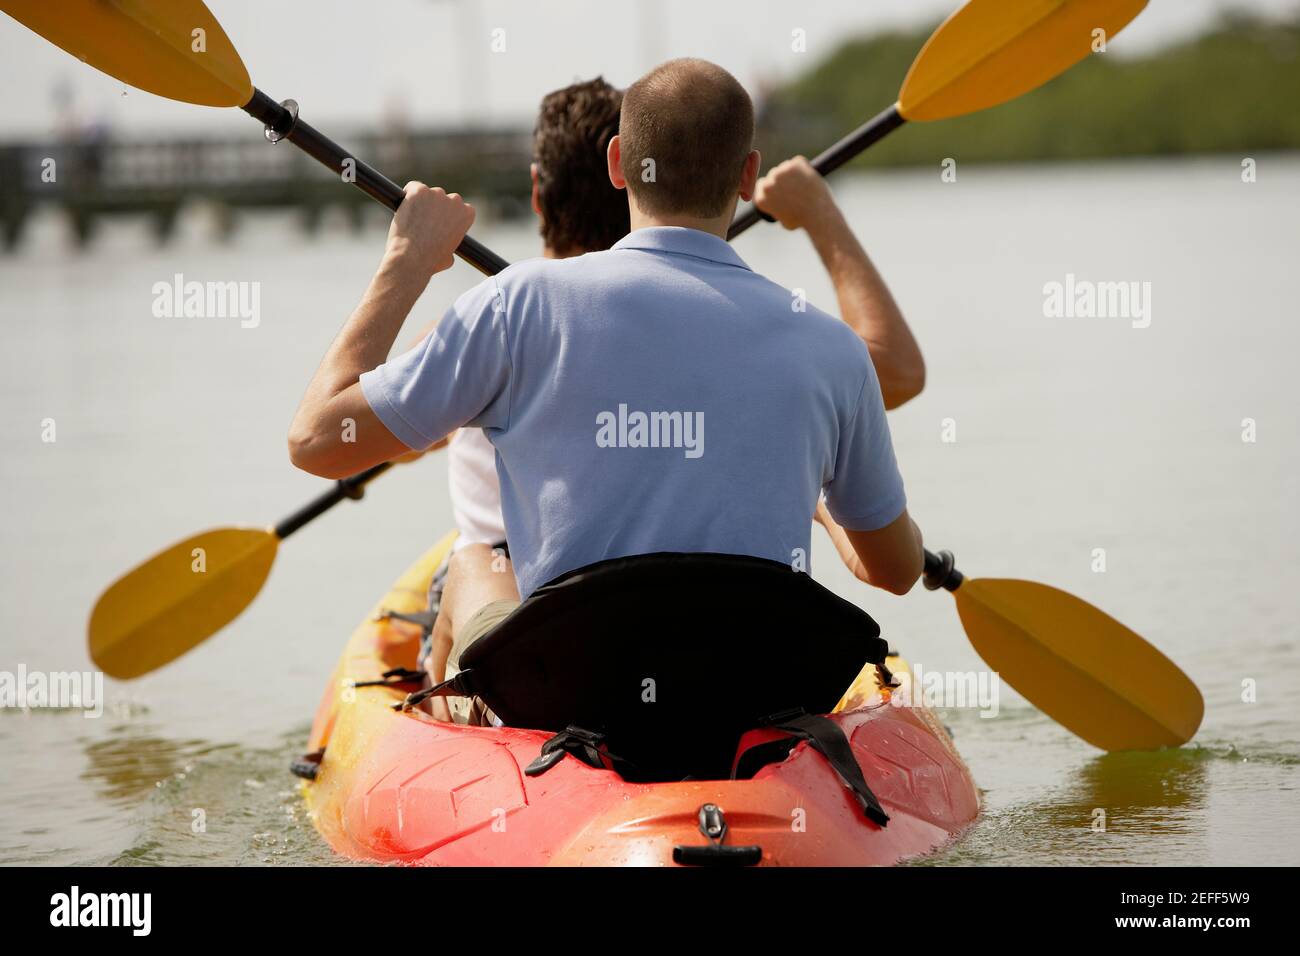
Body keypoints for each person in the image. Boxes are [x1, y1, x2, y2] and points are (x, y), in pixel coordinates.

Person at [287, 58, 926, 724]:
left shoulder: (512, 306)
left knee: (475, 558)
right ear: (746, 173)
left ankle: (458, 717)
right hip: (759, 683)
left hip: (568, 689)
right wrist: (820, 487)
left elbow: (315, 441)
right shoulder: (830, 346)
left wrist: (409, 259)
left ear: (620, 163)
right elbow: (895, 571)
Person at [409, 77, 628, 721]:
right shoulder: (686, 316)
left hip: (508, 595)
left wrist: (408, 260)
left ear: (536, 191)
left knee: (469, 560)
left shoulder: (481, 322)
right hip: (628, 603)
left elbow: (354, 441)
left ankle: (449, 701)